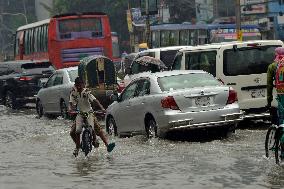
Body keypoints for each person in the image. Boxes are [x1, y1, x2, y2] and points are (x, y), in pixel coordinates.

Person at [69, 77, 115, 157]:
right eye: (77, 85)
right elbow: (71, 102)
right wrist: (70, 109)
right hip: (80, 113)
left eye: (80, 85)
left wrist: (102, 108)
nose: (79, 87)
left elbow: (94, 100)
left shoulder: (86, 92)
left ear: (83, 84)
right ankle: (77, 147)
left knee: (97, 129)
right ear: (75, 85)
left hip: (89, 113)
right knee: (74, 132)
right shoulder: (73, 92)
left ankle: (107, 145)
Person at [267, 47, 284, 159]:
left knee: (281, 122)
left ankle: (282, 150)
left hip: (281, 97)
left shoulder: (274, 66)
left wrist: (269, 100)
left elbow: (269, 84)